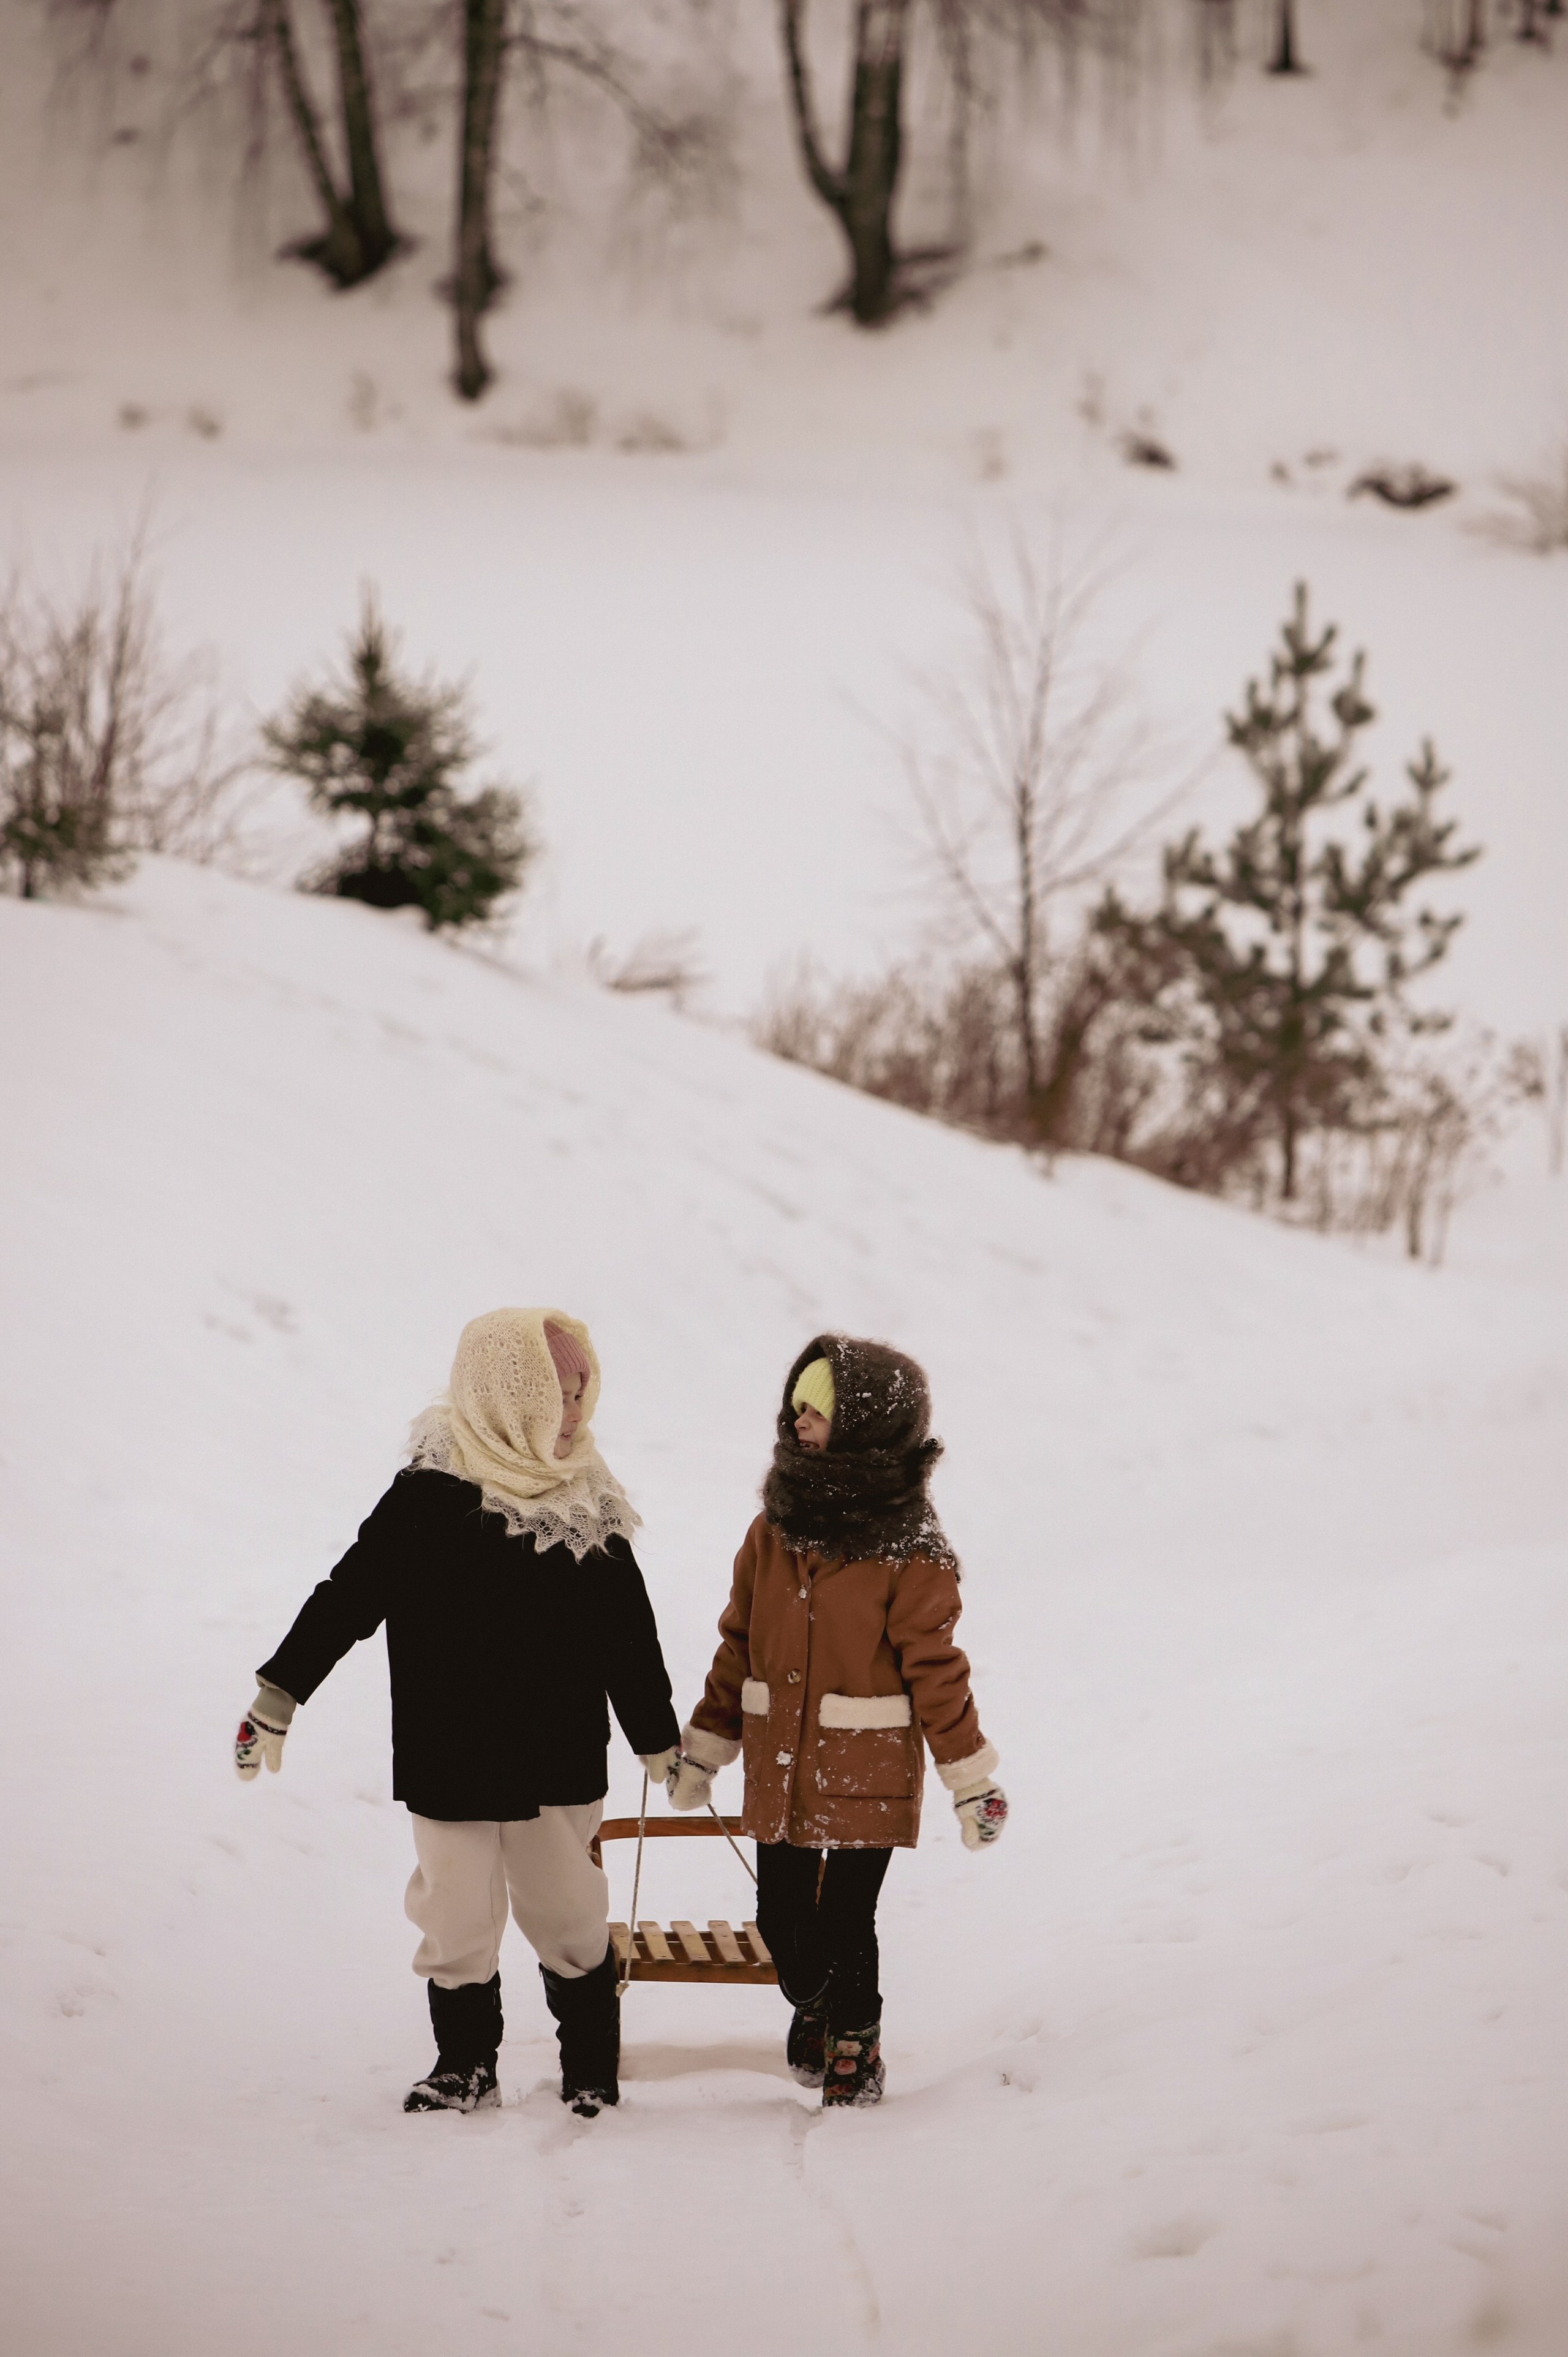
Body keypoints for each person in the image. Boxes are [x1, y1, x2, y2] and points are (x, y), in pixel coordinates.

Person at [234, 1307, 679, 2119]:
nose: (575, 1412)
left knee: (570, 1915)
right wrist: (280, 1692)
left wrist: (656, 1738)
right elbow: (349, 1598)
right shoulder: (426, 1497)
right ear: (508, 1393)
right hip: (454, 1754)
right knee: (455, 1919)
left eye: (583, 1392)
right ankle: (465, 2065)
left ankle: (590, 2069)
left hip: (557, 1756)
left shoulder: (587, 1503)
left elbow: (626, 1636)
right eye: (558, 1393)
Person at [667, 1335, 1006, 2107]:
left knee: (848, 1920)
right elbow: (739, 1641)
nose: (799, 1422)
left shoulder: (910, 1545)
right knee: (782, 1920)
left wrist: (969, 1777)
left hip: (866, 1763)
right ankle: (813, 2002)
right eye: (796, 1406)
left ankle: (855, 2041)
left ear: (863, 1423)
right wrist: (706, 1747)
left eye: (817, 1408)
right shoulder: (773, 1526)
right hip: (776, 1757)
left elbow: (935, 1665)